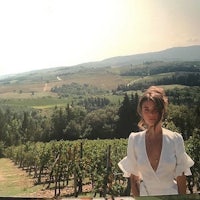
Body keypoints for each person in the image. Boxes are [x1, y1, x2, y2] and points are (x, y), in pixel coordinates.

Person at [118, 86, 194, 197]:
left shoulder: (175, 139)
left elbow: (181, 178)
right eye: (146, 109)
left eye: (155, 109)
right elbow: (134, 180)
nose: (151, 114)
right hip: (146, 197)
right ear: (141, 112)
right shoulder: (134, 140)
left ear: (162, 111)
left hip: (171, 198)